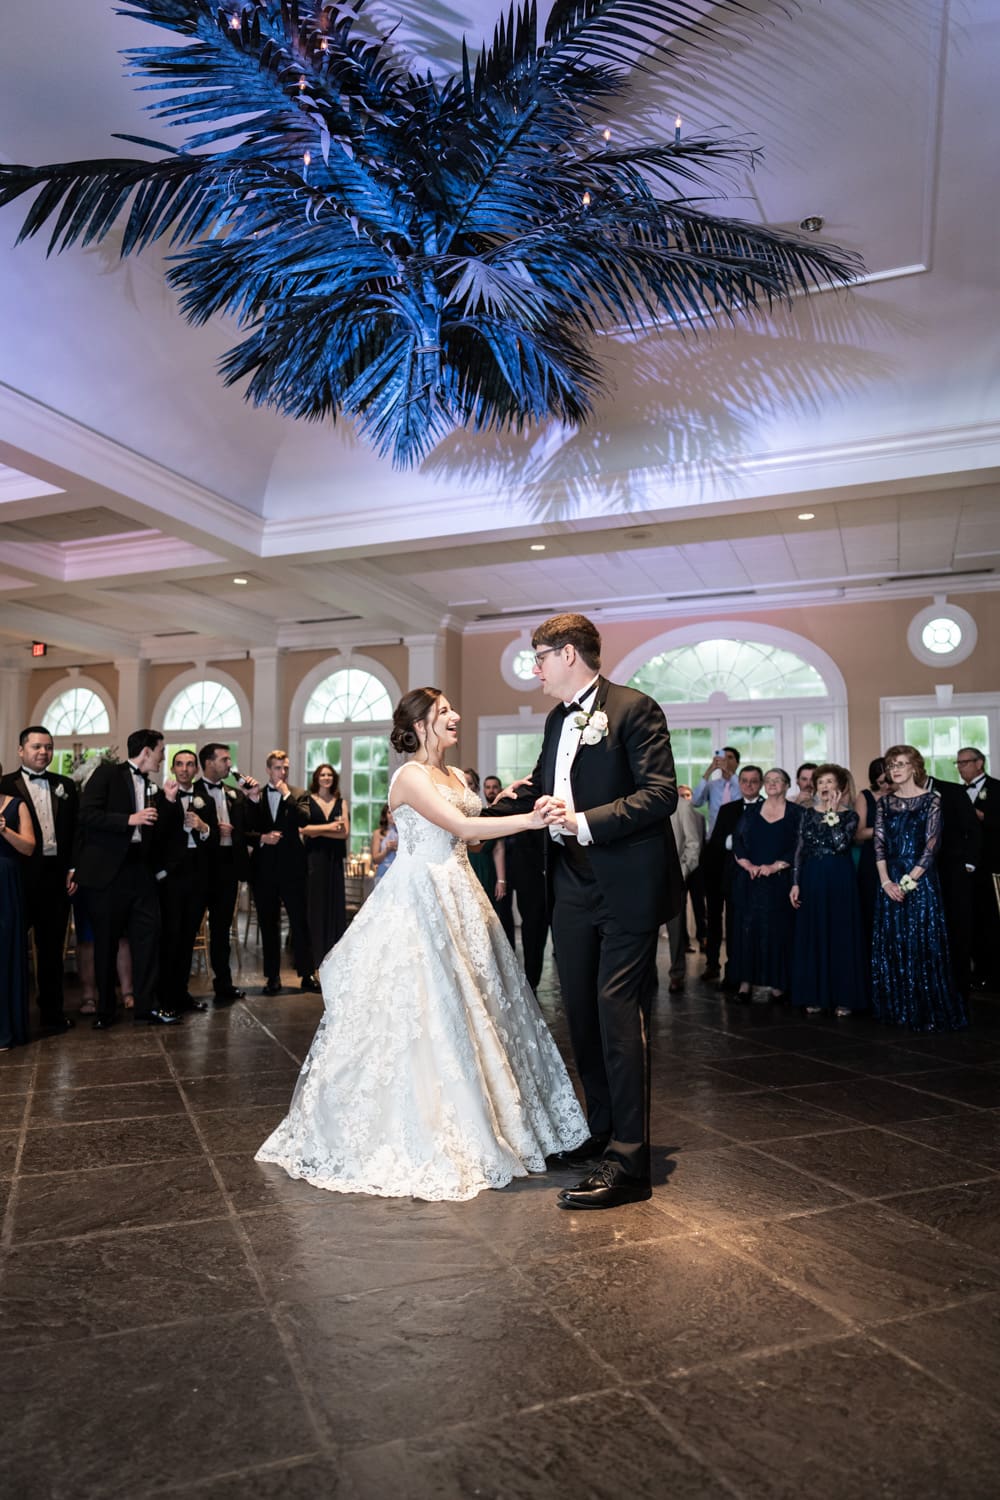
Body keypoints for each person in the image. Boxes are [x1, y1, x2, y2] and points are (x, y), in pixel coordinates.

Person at [257, 687, 588, 1201]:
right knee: (426, 1006)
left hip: (461, 894)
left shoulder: (455, 776)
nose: (455, 716)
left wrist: (505, 801)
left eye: (454, 707)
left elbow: (471, 840)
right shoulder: (408, 776)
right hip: (419, 897)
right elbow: (457, 823)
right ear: (419, 725)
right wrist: (528, 819)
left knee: (478, 1004)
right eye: (444, 712)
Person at [484, 612, 683, 1211]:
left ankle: (630, 1160)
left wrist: (582, 822)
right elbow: (548, 783)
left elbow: (660, 793)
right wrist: (470, 806)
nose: (535, 669)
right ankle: (601, 1129)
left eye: (539, 658)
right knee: (580, 1009)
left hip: (626, 882)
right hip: (569, 882)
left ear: (569, 654)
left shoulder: (633, 708)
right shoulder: (555, 718)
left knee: (617, 1010)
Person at [76, 729, 183, 1028]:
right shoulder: (108, 774)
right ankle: (105, 1011)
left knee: (149, 937)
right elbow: (86, 815)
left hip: (140, 871)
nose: (164, 757)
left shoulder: (151, 787)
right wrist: (128, 819)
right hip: (108, 873)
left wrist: (170, 802)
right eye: (161, 751)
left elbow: (157, 831)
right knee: (106, 943)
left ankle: (146, 1007)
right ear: (146, 751)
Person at [872, 746, 967, 1032]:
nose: (895, 769)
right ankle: (898, 1008)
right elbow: (878, 844)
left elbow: (932, 845)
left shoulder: (931, 800)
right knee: (895, 941)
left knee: (922, 941)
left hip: (921, 878)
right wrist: (886, 882)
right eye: (891, 765)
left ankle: (926, 1007)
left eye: (902, 763)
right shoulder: (884, 803)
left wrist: (909, 879)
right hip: (890, 880)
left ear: (915, 767)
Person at [0, 726, 78, 1034]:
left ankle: (52, 1015)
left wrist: (75, 868)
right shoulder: (4, 785)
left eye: (48, 747)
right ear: (21, 751)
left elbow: (75, 833)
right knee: (13, 949)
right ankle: (16, 1016)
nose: (43, 752)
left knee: (51, 951)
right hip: (15, 878)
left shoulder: (66, 785)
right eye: (36, 747)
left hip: (56, 878)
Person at [790, 764, 866, 1017]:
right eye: (820, 782)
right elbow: (800, 850)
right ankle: (815, 995)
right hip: (812, 877)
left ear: (840, 787)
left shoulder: (850, 816)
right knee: (814, 933)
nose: (823, 786)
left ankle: (844, 997)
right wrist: (795, 882)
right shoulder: (807, 814)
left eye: (829, 782)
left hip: (839, 878)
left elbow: (840, 843)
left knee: (840, 934)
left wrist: (832, 813)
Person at [194, 743, 261, 1004]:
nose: (229, 764)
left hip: (228, 868)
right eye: (224, 759)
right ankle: (179, 988)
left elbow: (252, 825)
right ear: (209, 763)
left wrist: (253, 796)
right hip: (200, 868)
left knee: (222, 931)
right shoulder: (193, 792)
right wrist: (211, 830)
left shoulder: (235, 794)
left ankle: (224, 985)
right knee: (190, 928)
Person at [249, 751, 318, 996]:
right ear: (268, 770)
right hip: (264, 869)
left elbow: (305, 819)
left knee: (300, 922)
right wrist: (262, 838)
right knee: (268, 924)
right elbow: (246, 827)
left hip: (293, 868)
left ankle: (307, 974)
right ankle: (272, 977)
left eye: (285, 767)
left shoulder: (299, 794)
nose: (282, 772)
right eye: (277, 768)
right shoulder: (256, 795)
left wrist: (286, 795)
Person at [729, 768, 801, 1001]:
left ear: (787, 785)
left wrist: (776, 866)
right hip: (751, 880)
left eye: (777, 780)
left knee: (778, 932)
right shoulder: (750, 812)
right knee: (748, 930)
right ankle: (745, 984)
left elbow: (800, 847)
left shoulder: (797, 813)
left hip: (780, 881)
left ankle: (778, 984)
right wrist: (747, 864)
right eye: (768, 780)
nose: (771, 784)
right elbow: (738, 841)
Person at [153, 749, 213, 1014]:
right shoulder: (159, 797)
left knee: (189, 936)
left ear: (197, 770)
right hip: (171, 876)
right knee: (170, 936)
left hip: (197, 873)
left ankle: (182, 993)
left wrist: (203, 827)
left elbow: (212, 839)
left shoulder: (205, 800)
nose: (185, 769)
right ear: (173, 769)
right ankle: (165, 997)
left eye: (190, 765)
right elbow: (155, 836)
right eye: (180, 764)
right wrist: (161, 872)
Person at [925, 754, 982, 1003]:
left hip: (952, 871)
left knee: (956, 927)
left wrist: (969, 864)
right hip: (920, 874)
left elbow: (973, 829)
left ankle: (958, 988)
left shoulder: (951, 791)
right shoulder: (897, 798)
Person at [701, 765, 763, 986]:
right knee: (728, 924)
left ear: (761, 783)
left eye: (753, 781)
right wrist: (730, 844)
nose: (748, 785)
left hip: (760, 876)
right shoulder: (728, 809)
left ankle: (758, 973)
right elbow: (717, 842)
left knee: (756, 927)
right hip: (729, 875)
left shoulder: (768, 807)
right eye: (744, 781)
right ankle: (729, 970)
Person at [955, 747, 1000, 993]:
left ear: (979, 763)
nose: (961, 767)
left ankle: (994, 972)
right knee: (970, 917)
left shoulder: (996, 788)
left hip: (992, 863)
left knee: (992, 917)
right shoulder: (958, 792)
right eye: (958, 763)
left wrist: (979, 814)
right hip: (967, 866)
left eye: (965, 762)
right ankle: (975, 970)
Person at [299, 763, 350, 967]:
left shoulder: (341, 802)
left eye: (329, 775)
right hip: (314, 859)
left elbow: (344, 833)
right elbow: (303, 829)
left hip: (334, 859)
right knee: (315, 905)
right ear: (316, 778)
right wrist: (329, 828)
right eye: (323, 774)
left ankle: (334, 956)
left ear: (334, 778)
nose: (326, 778)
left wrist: (317, 831)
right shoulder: (308, 800)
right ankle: (314, 956)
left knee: (334, 905)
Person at [0, 768, 35, 1050]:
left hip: (6, 883)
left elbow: (29, 847)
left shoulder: (15, 804)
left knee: (6, 953)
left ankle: (6, 1031)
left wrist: (4, 830)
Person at [666, 792, 705, 993]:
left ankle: (677, 974)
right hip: (644, 878)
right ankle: (647, 975)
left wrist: (680, 874)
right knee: (643, 932)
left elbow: (693, 845)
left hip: (674, 878)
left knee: (676, 930)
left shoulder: (682, 806)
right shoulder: (637, 802)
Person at [855, 757, 889, 957]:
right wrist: (885, 828)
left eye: (888, 780)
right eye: (881, 781)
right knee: (871, 910)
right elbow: (859, 834)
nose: (885, 785)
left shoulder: (904, 795)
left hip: (898, 858)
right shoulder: (865, 796)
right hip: (871, 859)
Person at [691, 747, 740, 834]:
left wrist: (729, 772)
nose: (726, 760)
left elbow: (745, 794)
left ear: (737, 763)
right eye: (723, 757)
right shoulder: (712, 785)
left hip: (738, 834)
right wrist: (709, 771)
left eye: (730, 757)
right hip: (715, 835)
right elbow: (695, 802)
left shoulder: (744, 785)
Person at [371, 804, 398, 883]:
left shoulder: (404, 834)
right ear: (385, 815)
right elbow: (375, 859)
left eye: (394, 812)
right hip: (383, 871)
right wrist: (387, 850)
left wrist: (398, 849)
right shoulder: (378, 833)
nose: (392, 815)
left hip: (399, 872)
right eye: (389, 812)